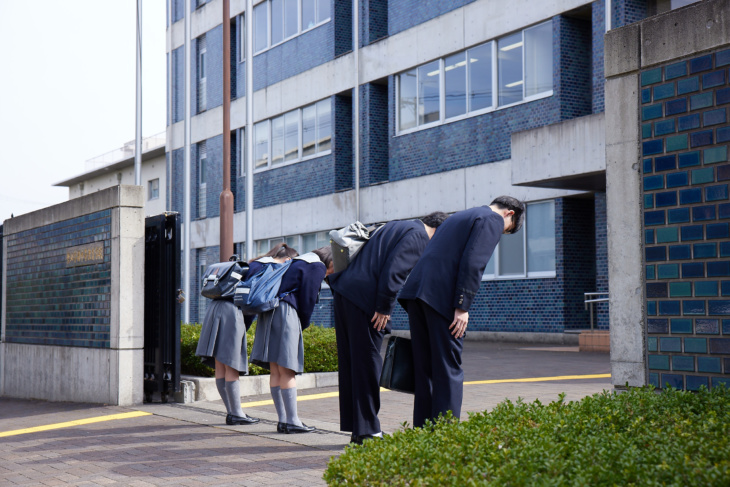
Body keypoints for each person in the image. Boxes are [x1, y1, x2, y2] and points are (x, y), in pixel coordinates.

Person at [398, 196, 525, 428]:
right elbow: (474, 261)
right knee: (448, 368)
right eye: (508, 230)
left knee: (425, 367)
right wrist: (462, 305)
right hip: (441, 298)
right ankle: (445, 434)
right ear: (510, 214)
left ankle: (424, 433)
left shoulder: (460, 216)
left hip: (417, 293)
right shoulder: (491, 219)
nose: (503, 232)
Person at [328, 212, 448, 444]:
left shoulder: (395, 225)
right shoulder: (419, 236)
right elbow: (395, 271)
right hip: (365, 301)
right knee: (368, 364)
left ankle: (359, 429)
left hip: (346, 293)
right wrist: (384, 307)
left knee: (353, 364)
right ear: (438, 231)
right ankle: (369, 431)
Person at [249, 245, 334, 434]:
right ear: (331, 260)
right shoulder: (316, 266)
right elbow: (307, 300)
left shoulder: (298, 261)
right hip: (286, 313)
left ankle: (283, 421)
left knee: (275, 371)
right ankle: (293, 421)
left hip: (269, 312)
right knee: (287, 370)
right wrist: (302, 323)